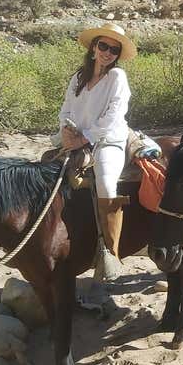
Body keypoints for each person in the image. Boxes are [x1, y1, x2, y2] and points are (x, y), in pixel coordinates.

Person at [57, 22, 137, 281]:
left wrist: (85, 139)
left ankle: (110, 251)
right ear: (94, 47)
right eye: (103, 45)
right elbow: (66, 109)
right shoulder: (78, 77)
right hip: (76, 138)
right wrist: (66, 132)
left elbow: (114, 114)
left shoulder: (117, 78)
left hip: (107, 141)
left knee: (105, 182)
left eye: (114, 49)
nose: (107, 52)